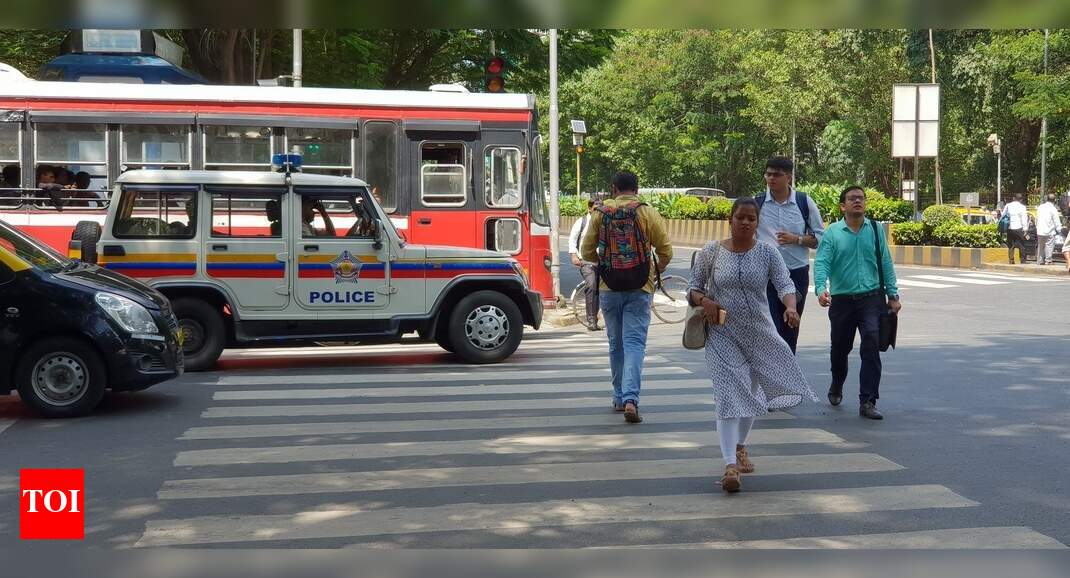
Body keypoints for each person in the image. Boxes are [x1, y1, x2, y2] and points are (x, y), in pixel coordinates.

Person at [688, 197, 816, 493]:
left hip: (760, 334)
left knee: (750, 396)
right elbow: (692, 288)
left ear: (757, 224)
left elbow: (785, 285)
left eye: (751, 218)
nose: (745, 222)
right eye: (740, 217)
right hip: (722, 334)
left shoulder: (768, 253)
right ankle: (730, 464)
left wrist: (790, 308)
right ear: (730, 221)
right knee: (728, 396)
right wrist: (704, 301)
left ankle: (741, 445)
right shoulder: (711, 252)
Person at [580, 170, 672, 423]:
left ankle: (619, 396)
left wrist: (608, 263)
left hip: (609, 287)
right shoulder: (647, 212)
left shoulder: (599, 213)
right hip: (640, 287)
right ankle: (632, 399)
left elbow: (586, 251)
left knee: (615, 343)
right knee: (634, 344)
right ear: (637, 189)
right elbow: (666, 250)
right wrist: (655, 268)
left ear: (613, 188)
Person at [814, 186, 902, 420]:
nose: (857, 202)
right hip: (842, 301)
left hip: (872, 298)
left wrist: (893, 296)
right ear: (843, 206)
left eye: (861, 198)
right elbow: (822, 263)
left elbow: (886, 263)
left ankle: (868, 401)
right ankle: (837, 381)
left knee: (871, 345)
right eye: (852, 199)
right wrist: (821, 289)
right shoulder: (832, 233)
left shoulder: (874, 230)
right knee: (840, 349)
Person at [754, 156, 825, 353]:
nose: (771, 179)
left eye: (776, 175)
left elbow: (820, 239)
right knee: (771, 330)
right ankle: (772, 378)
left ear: (789, 178)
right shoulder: (758, 203)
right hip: (765, 276)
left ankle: (788, 377)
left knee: (790, 329)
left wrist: (797, 239)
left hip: (796, 275)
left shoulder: (804, 202)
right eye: (768, 174)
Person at [568, 200, 601, 330]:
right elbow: (572, 238)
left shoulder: (603, 223)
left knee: (600, 289)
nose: (597, 212)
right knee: (591, 285)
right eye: (595, 209)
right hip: (586, 261)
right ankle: (591, 321)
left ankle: (596, 318)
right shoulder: (581, 222)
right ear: (589, 209)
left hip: (602, 261)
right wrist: (573, 255)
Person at [1001, 193, 1029, 264]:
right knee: (1021, 244)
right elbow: (1024, 218)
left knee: (1011, 245)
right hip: (1019, 228)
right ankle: (1022, 260)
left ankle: (1011, 260)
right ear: (1021, 200)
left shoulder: (1008, 205)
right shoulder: (1022, 207)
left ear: (1014, 198)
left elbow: (1003, 215)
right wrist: (1025, 229)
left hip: (1010, 228)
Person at [1035, 194, 1062, 266]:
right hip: (1049, 231)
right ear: (1054, 200)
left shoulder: (1040, 207)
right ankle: (1048, 260)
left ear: (1047, 199)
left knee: (1041, 246)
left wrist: (1037, 227)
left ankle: (1040, 261)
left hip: (1040, 230)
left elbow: (1036, 218)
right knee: (1049, 245)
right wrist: (1059, 230)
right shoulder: (1053, 209)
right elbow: (1056, 221)